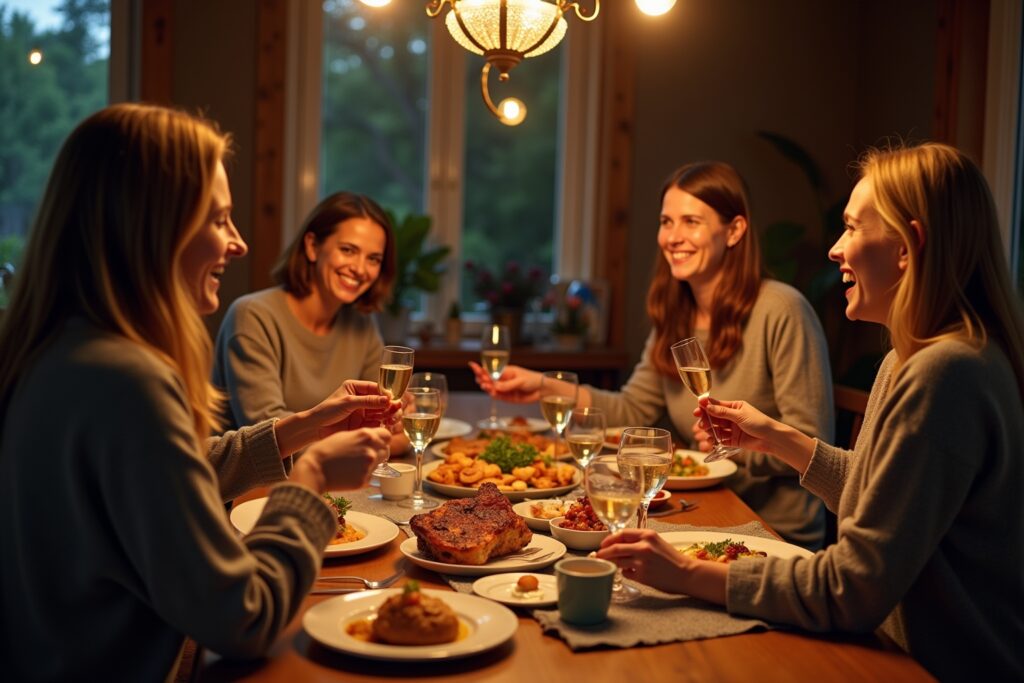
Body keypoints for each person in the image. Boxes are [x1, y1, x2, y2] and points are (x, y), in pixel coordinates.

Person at [597, 143, 1024, 679]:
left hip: (929, 665)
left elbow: (854, 587)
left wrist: (686, 573)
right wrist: (776, 436)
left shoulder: (946, 373)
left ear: (907, 246)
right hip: (891, 645)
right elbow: (880, 498)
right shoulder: (906, 358)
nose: (835, 249)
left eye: (852, 228)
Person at [0, 104, 396, 681]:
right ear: (150, 224)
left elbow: (171, 473)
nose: (237, 245)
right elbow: (245, 620)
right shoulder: (125, 380)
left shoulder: (61, 346)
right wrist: (309, 480)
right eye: (219, 220)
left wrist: (305, 424)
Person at [473, 161, 833, 548]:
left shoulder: (782, 309)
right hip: (701, 510)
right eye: (666, 222)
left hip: (772, 529)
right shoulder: (675, 316)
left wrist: (741, 447)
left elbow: (813, 444)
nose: (673, 237)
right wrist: (544, 386)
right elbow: (632, 409)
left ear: (734, 231)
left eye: (691, 221)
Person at [212, 191, 411, 453]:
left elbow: (388, 426)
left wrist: (394, 427)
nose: (360, 269)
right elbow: (271, 439)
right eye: (348, 250)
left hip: (332, 480)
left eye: (373, 259)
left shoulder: (362, 325)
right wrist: (376, 439)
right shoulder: (252, 316)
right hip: (249, 491)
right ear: (312, 246)